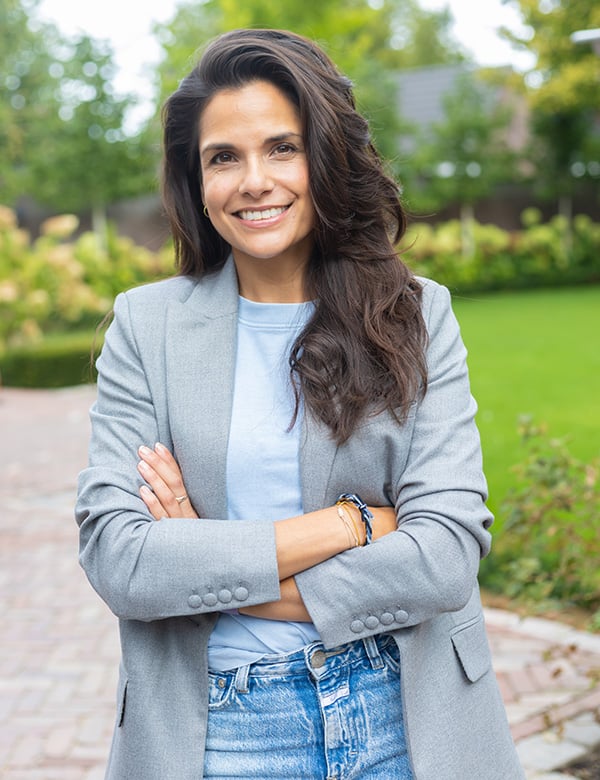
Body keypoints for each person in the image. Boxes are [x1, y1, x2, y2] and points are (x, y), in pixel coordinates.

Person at [76, 28, 524, 780]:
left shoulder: (417, 315)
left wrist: (209, 564)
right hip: (218, 730)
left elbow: (444, 558)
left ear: (326, 158)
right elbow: (122, 561)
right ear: (198, 180)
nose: (254, 180)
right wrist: (348, 525)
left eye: (282, 148)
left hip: (405, 717)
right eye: (224, 157)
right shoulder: (145, 327)